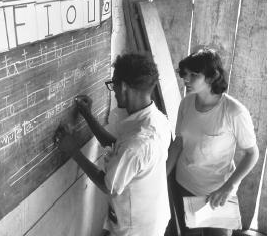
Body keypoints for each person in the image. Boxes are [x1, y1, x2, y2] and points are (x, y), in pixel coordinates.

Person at [54, 53, 172, 236]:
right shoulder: (156, 120)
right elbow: (120, 147)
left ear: (124, 86)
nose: (114, 91)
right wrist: (88, 117)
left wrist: (73, 151)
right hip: (151, 216)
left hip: (136, 229)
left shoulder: (139, 143)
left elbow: (107, 184)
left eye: (113, 85)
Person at [166, 47, 259, 236]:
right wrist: (162, 176)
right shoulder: (186, 103)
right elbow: (179, 142)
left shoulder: (234, 111)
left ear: (212, 76)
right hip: (184, 184)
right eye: (186, 74)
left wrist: (229, 187)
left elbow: (252, 154)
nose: (186, 80)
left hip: (217, 193)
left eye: (194, 75)